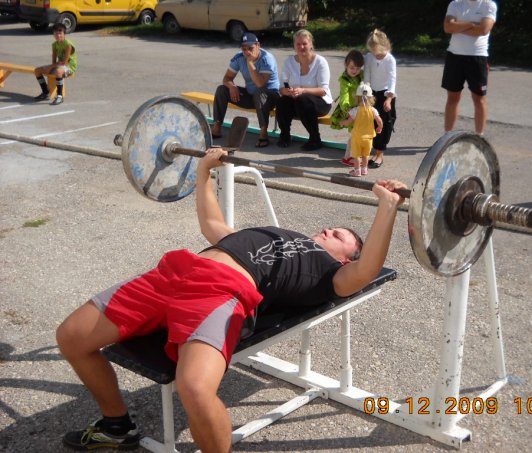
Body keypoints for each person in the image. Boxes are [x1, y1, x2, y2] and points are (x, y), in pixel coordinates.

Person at [56, 147, 407, 452]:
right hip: (175, 271)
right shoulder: (274, 234)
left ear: (346, 258)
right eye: (332, 228)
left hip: (220, 291)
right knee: (72, 336)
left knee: (195, 388)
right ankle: (117, 428)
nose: (329, 229)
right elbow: (212, 225)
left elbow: (366, 270)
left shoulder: (328, 273)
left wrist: (387, 207)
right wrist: (204, 171)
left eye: (340, 236)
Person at [210, 32, 280, 147]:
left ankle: (263, 133)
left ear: (258, 45)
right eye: (244, 49)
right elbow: (227, 78)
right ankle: (217, 127)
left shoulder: (267, 59)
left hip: (270, 97)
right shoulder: (239, 57)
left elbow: (260, 84)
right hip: (252, 95)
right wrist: (232, 87)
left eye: (250, 48)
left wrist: (250, 63)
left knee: (259, 92)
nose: (247, 52)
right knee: (222, 89)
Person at [441, 0, 497, 135]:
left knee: (479, 98)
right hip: (454, 56)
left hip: (477, 57)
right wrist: (472, 24)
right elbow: (448, 27)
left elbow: (483, 30)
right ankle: (448, 135)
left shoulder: (488, 5)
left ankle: (479, 136)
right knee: (453, 97)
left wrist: (458, 26)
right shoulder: (456, 4)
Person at [276, 29, 333, 151]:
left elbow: (323, 90)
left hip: (320, 103)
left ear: (311, 44)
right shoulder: (288, 62)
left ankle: (315, 139)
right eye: (298, 44)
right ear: (294, 46)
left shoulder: (320, 62)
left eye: (304, 43)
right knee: (282, 101)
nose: (301, 47)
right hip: (297, 101)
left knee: (303, 99)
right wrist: (286, 91)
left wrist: (303, 90)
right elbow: (281, 87)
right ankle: (285, 136)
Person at [364, 29, 397, 169]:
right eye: (373, 52)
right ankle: (375, 152)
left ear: (385, 47)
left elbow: (392, 80)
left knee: (384, 125)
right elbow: (367, 75)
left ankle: (380, 154)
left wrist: (389, 99)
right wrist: (366, 92)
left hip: (385, 95)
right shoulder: (369, 57)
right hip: (372, 94)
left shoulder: (390, 60)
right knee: (372, 123)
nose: (376, 55)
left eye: (378, 53)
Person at [339, 82, 383, 177]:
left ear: (357, 97)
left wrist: (342, 123)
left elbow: (349, 121)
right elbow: (379, 120)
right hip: (369, 138)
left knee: (357, 155)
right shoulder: (373, 110)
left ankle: (357, 171)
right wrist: (379, 127)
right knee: (365, 155)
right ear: (371, 98)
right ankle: (364, 170)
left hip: (357, 137)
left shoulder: (355, 110)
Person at [330, 49, 365, 168]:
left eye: (358, 68)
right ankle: (350, 157)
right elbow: (344, 94)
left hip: (361, 108)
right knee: (355, 134)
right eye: (352, 68)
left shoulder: (361, 75)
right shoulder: (344, 80)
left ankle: (353, 156)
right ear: (346, 65)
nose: (355, 71)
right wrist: (347, 108)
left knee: (356, 134)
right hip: (350, 110)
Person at [33, 22, 77, 106]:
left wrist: (51, 67)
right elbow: (53, 60)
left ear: (64, 34)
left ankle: (59, 96)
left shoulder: (68, 45)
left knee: (58, 71)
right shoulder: (54, 44)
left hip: (69, 66)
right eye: (56, 33)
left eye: (60, 33)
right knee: (37, 70)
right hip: (58, 65)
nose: (58, 35)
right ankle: (46, 92)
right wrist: (51, 67)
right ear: (53, 34)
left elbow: (65, 62)